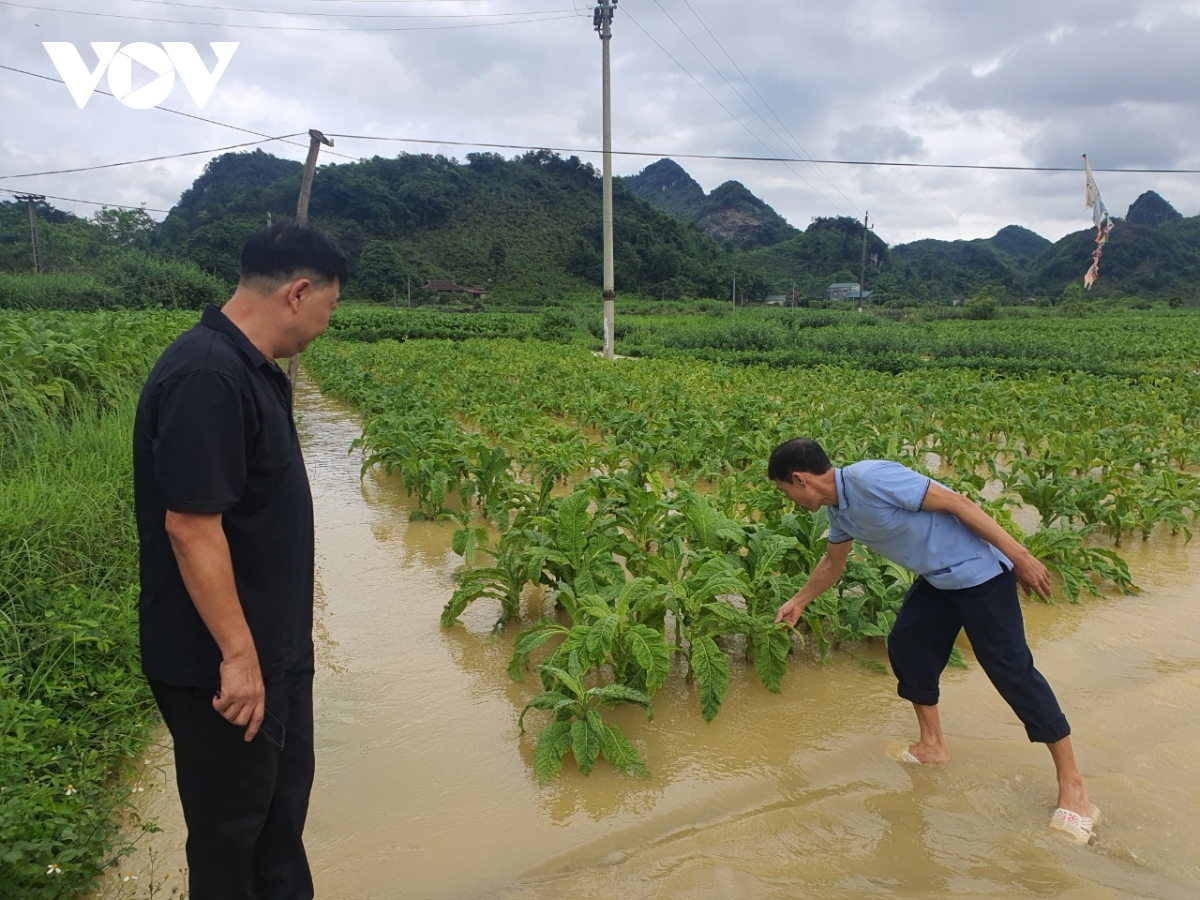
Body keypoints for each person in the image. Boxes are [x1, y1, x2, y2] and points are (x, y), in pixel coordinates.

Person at [133, 220, 347, 899]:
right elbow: (191, 527)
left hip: (268, 657)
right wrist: (238, 655)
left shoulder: (249, 370)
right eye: (327, 311)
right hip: (224, 673)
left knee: (275, 828)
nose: (322, 327)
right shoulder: (208, 374)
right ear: (299, 291)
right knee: (232, 841)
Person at [768, 438, 1099, 844]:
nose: (789, 499)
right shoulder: (840, 513)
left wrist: (1021, 557)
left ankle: (1074, 789)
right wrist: (799, 601)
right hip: (938, 582)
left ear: (800, 479)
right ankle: (931, 746)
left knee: (1012, 671)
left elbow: (958, 503)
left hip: (981, 576)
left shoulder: (870, 478)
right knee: (907, 646)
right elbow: (832, 563)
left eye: (785, 491)